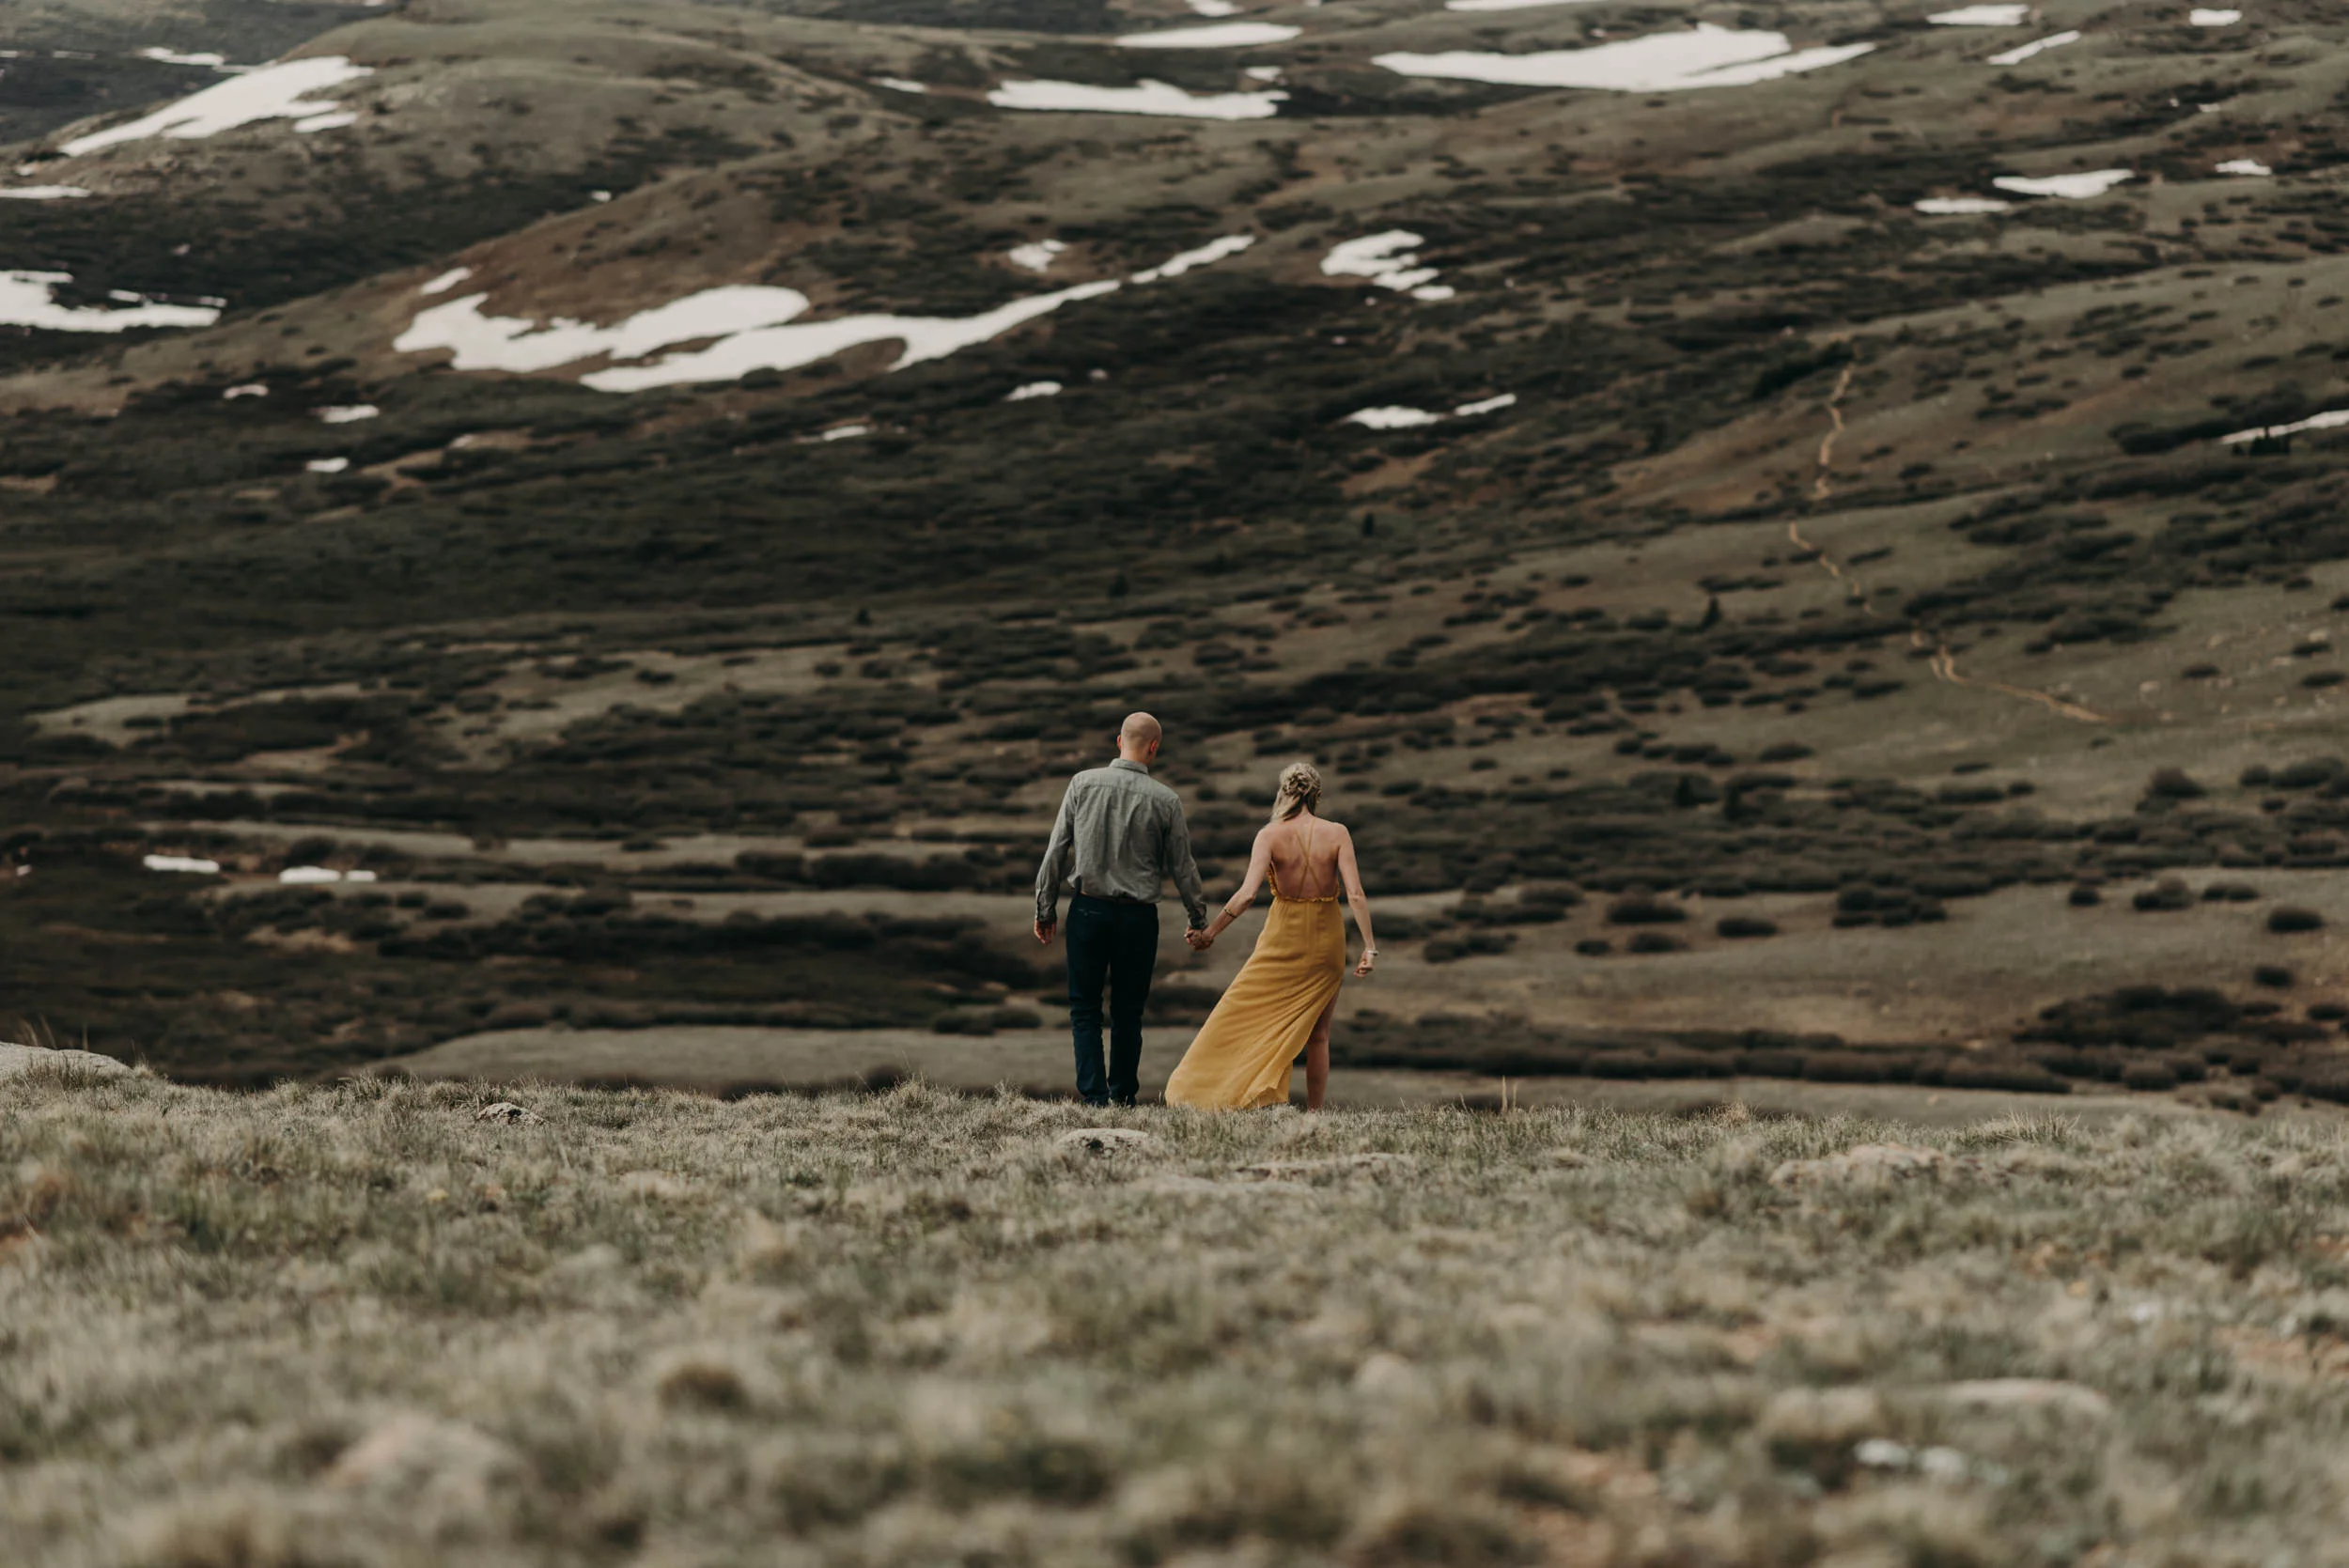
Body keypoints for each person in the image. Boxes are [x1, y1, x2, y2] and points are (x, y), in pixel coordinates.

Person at [1164, 762, 1376, 1111]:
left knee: (1238, 1009)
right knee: (1319, 1035)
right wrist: (1370, 947)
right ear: (1316, 795)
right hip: (1327, 940)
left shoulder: (1269, 835)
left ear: (1285, 792)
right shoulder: (1338, 833)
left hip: (1283, 936)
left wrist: (1210, 932)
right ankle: (1314, 1113)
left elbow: (1247, 894)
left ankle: (1209, 1091)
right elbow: (1355, 894)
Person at [1034, 712, 1210, 1107]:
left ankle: (1094, 1097)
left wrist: (1045, 909)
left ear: (1118, 741)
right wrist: (1198, 920)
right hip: (1137, 919)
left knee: (1084, 1008)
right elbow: (1183, 867)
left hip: (1088, 911)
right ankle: (1123, 1096)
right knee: (1129, 1011)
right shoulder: (1166, 800)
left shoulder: (1082, 783)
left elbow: (1056, 850)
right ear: (1153, 748)